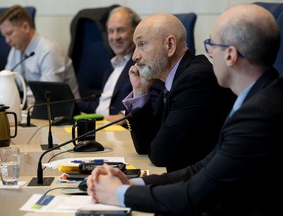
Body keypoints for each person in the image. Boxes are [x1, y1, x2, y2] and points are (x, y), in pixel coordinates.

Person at [87, 4, 283, 215]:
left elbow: (194, 196)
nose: (209, 54)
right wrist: (133, 183)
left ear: (230, 56)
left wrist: (119, 194)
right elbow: (201, 170)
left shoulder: (258, 114)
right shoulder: (258, 99)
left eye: (211, 44)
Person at [122, 13, 235, 172]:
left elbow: (159, 155)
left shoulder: (195, 80)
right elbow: (145, 146)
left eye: (142, 44)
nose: (135, 56)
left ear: (169, 45)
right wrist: (140, 91)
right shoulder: (176, 77)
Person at [79, 7, 163, 125]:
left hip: (123, 131)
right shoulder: (112, 65)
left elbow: (156, 102)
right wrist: (71, 104)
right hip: (101, 125)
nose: (115, 37)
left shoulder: (145, 62)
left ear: (136, 32)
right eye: (111, 31)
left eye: (121, 30)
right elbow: (104, 104)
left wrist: (123, 116)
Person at [0, 5, 80, 103]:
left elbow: (47, 94)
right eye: (4, 36)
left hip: (63, 111)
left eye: (9, 33)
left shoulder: (49, 51)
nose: (7, 41)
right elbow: (8, 83)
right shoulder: (15, 49)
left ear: (25, 27)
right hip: (33, 109)